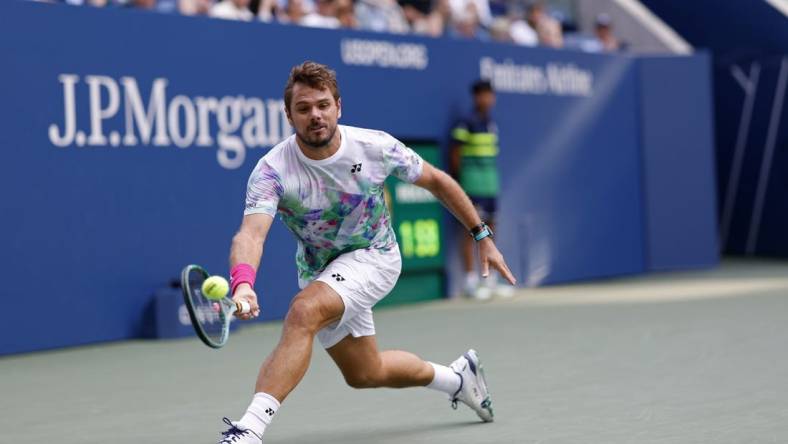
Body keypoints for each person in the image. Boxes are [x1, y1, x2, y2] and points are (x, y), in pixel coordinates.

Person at [214, 62, 515, 443]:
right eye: (304, 109)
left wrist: (481, 234)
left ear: (339, 106)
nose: (315, 115)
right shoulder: (272, 171)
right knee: (365, 373)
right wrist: (243, 284)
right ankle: (458, 379)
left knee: (303, 312)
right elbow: (250, 235)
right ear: (288, 115)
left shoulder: (374, 147)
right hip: (320, 270)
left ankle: (248, 431)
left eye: (323, 105)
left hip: (375, 256)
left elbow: (437, 181)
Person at [449, 79, 509, 300]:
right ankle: (470, 282)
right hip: (472, 184)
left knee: (491, 229)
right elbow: (455, 153)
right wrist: (460, 182)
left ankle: (491, 280)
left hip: (490, 185)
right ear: (475, 97)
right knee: (472, 231)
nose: (487, 99)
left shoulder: (491, 123)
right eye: (482, 95)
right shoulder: (466, 122)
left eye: (490, 94)